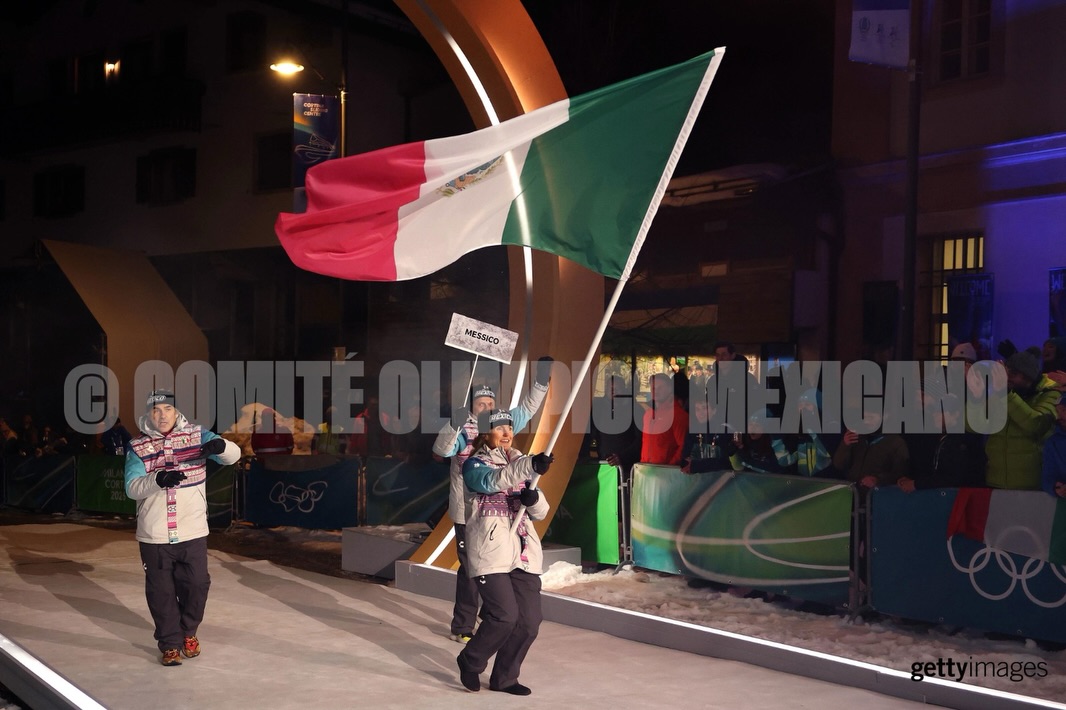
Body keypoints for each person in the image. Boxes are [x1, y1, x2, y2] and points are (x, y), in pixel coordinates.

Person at [433, 356, 552, 644]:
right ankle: (463, 624)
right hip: (469, 512)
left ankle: (493, 616)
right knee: (472, 568)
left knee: (501, 566)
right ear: (471, 407)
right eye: (480, 404)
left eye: (490, 403)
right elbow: (441, 451)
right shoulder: (465, 430)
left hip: (503, 515)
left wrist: (541, 381)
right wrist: (453, 425)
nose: (486, 408)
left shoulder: (500, 426)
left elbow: (527, 409)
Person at [124, 390, 241, 666]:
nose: (162, 415)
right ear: (148, 414)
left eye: (168, 408)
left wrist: (221, 447)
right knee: (161, 592)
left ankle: (188, 632)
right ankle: (170, 643)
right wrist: (158, 479)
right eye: (156, 410)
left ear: (177, 412)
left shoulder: (197, 435)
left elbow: (233, 456)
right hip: (155, 535)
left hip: (192, 531)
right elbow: (131, 487)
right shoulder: (138, 446)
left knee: (197, 584)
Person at [456, 409, 553, 695]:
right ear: (486, 433)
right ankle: (471, 660)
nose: (507, 433)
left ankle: (505, 678)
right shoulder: (474, 464)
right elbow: (491, 482)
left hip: (522, 552)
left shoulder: (521, 463)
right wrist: (529, 465)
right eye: (499, 428)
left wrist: (533, 500)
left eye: (509, 427)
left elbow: (541, 512)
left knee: (529, 622)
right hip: (491, 551)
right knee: (504, 616)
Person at [985, 347, 1059, 490]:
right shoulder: (1004, 392)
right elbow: (974, 424)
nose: (1007, 378)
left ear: (1027, 376)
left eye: (1012, 374)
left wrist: (1006, 393)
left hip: (1032, 484)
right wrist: (977, 393)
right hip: (995, 481)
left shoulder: (1052, 394)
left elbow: (1035, 424)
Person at [899, 393, 987, 492]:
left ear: (956, 414)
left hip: (962, 497)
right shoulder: (945, 438)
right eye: (935, 411)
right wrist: (913, 480)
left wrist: (916, 484)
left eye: (941, 411)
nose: (935, 415)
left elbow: (953, 478)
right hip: (951, 496)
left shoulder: (962, 441)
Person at [681, 381, 736, 474]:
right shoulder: (692, 431)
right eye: (697, 409)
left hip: (722, 479)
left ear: (714, 410)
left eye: (704, 408)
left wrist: (697, 465)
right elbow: (685, 458)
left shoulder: (724, 430)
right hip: (698, 479)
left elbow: (725, 462)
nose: (701, 413)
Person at [640, 373, 689, 465]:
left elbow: (684, 446)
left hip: (665, 470)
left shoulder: (678, 415)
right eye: (653, 388)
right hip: (647, 468)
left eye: (660, 388)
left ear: (670, 389)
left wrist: (669, 467)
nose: (655, 391)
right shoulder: (648, 414)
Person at [1041, 392, 1066, 498]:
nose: (1059, 416)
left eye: (1064, 410)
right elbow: (1047, 476)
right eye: (1057, 411)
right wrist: (1055, 488)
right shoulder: (1053, 442)